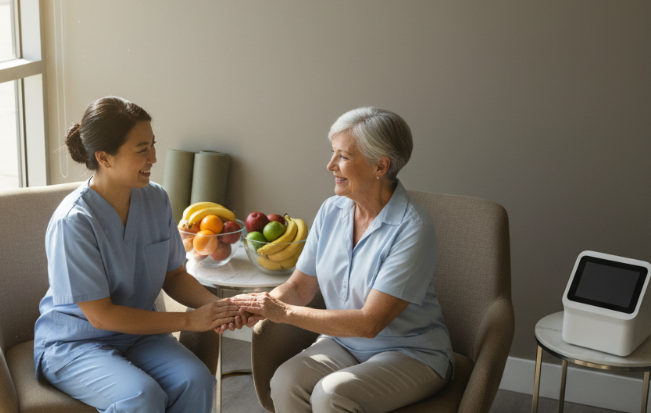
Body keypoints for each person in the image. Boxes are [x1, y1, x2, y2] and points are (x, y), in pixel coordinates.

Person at [232, 107, 455, 413]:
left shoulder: (413, 227)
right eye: (332, 152)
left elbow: (370, 323)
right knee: (284, 381)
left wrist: (282, 312)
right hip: (343, 342)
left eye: (343, 156)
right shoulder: (331, 211)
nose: (330, 165)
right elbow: (299, 288)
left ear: (381, 166)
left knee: (331, 395)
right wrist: (258, 305)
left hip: (411, 352)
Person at [33, 97, 240, 413]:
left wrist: (219, 308)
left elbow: (175, 275)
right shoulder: (74, 222)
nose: (154, 157)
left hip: (139, 335)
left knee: (197, 381)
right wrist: (188, 320)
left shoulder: (156, 198)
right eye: (142, 149)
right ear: (104, 158)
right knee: (141, 396)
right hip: (76, 342)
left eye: (153, 145)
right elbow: (101, 316)